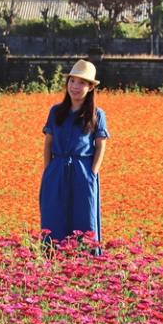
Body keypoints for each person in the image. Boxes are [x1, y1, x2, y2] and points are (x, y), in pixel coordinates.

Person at [39, 59, 110, 251]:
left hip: (83, 170)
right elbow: (48, 144)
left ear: (90, 87)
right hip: (57, 169)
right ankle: (53, 258)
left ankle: (86, 261)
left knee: (84, 218)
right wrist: (49, 171)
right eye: (72, 81)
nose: (75, 86)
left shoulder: (97, 114)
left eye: (81, 83)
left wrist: (92, 173)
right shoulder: (56, 112)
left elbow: (100, 145)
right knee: (53, 216)